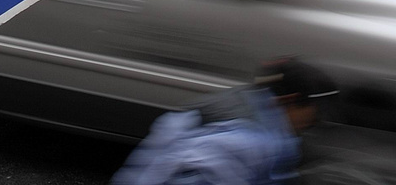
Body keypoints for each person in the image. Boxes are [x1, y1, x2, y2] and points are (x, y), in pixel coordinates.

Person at [113, 59, 339, 185]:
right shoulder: (243, 141)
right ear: (290, 101)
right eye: (316, 112)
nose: (316, 122)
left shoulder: (252, 106)